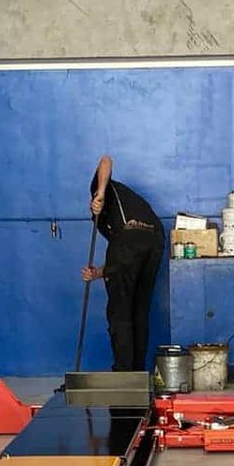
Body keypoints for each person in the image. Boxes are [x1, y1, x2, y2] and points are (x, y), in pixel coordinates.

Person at [81, 155, 163, 373]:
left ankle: (124, 373)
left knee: (120, 311)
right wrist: (97, 273)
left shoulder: (103, 190)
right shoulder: (103, 221)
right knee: (138, 310)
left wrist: (98, 193)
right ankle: (136, 372)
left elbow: (105, 160)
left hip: (132, 235)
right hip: (155, 239)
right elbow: (122, 257)